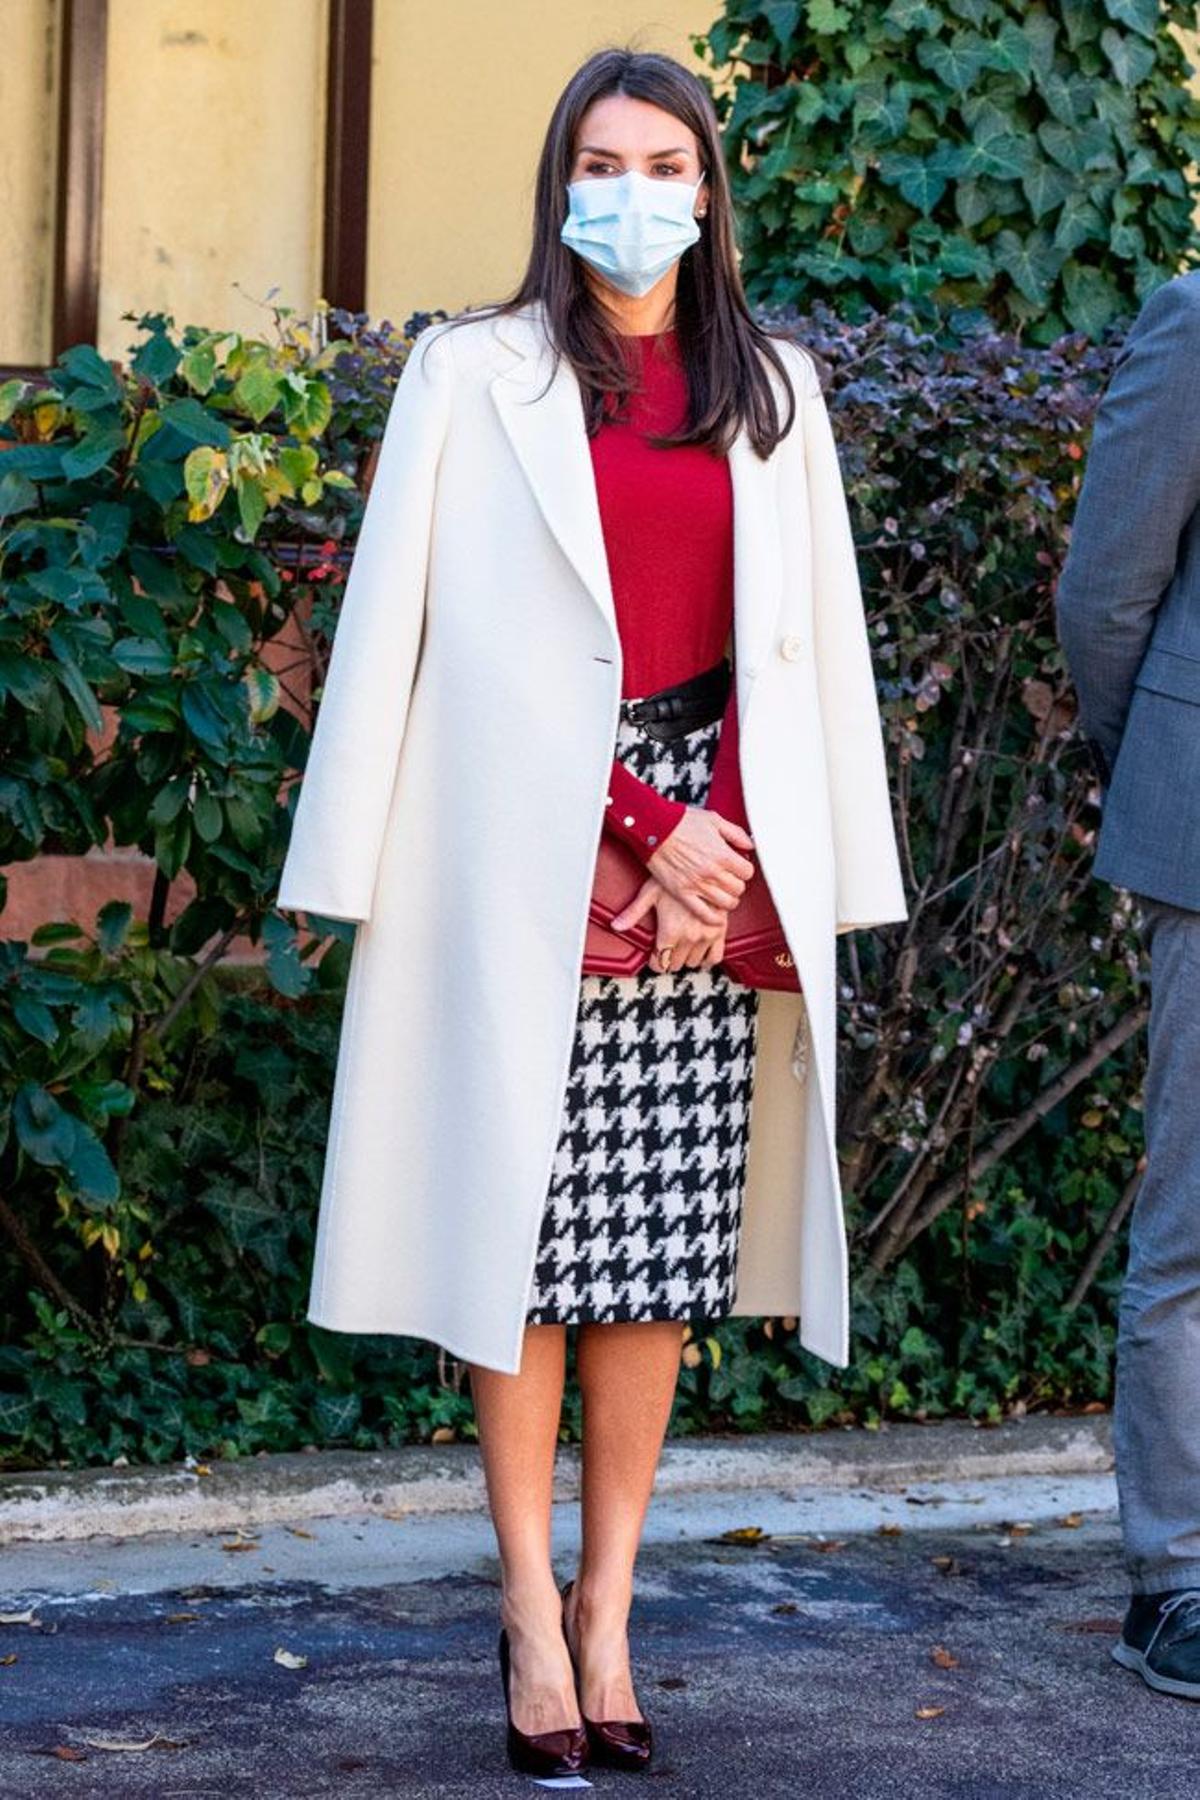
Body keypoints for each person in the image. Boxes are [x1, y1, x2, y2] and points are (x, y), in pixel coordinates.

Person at [276, 45, 905, 1777]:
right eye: (602, 159)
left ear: (711, 191)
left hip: (724, 846)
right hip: (530, 844)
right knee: (526, 1244)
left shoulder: (774, 388)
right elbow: (427, 644)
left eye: (665, 161)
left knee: (652, 1257)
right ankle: (529, 1617)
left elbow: (816, 652)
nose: (631, 189)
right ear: (562, 182)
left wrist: (752, 847)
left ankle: (616, 1605)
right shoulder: (472, 377)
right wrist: (630, 824)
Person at [1057, 267, 1200, 1702]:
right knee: (1199, 1234)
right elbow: (1108, 593)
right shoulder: (1198, 317)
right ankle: (1176, 1581)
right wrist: (1159, 770)